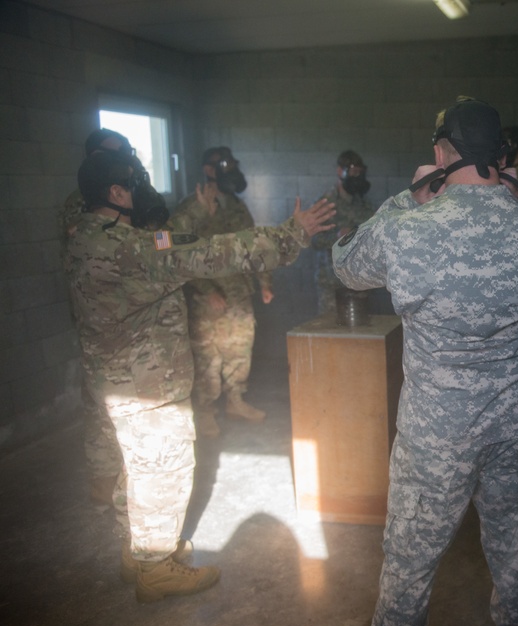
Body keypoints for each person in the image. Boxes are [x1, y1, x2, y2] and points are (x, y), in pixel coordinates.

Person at [333, 98, 518, 626]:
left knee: (410, 557)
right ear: (503, 155)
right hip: (516, 428)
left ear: (441, 152)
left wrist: (409, 199)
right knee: (517, 546)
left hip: (435, 435)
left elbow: (346, 267)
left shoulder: (406, 229)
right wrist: (514, 200)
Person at [66, 149, 334, 602]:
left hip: (116, 380)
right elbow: (209, 253)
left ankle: (139, 551)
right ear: (115, 193)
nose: (140, 193)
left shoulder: (85, 236)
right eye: (132, 185)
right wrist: (293, 233)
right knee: (162, 469)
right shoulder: (129, 250)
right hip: (146, 384)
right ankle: (156, 568)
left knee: (135, 468)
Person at [171, 147, 270, 438]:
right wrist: (204, 291)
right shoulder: (192, 209)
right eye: (224, 165)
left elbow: (254, 245)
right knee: (208, 359)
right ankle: (204, 412)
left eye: (233, 164)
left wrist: (265, 282)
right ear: (209, 170)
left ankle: (236, 402)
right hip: (209, 301)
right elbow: (179, 256)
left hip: (239, 295)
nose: (231, 170)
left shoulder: (238, 207)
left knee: (240, 353)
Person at [58, 129, 133, 511]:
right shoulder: (81, 203)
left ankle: (118, 479)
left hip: (127, 316)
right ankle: (103, 481)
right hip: (99, 315)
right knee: (100, 404)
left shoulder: (130, 196)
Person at [310, 150, 375, 315]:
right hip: (331, 285)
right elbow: (313, 241)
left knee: (361, 337)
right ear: (341, 171)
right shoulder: (325, 204)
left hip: (359, 284)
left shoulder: (364, 205)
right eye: (354, 172)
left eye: (360, 173)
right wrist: (337, 237)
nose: (357, 177)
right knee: (331, 334)